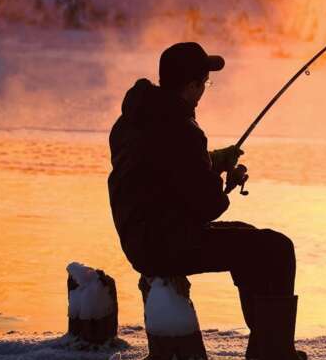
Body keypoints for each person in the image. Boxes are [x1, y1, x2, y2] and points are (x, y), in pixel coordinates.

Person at [107, 42, 306, 360]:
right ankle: (273, 353)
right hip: (164, 244)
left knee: (251, 239)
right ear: (191, 87)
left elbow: (164, 167)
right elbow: (209, 206)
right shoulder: (182, 131)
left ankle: (265, 347)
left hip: (139, 235)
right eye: (204, 83)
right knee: (277, 249)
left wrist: (213, 160)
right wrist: (227, 179)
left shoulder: (134, 120)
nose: (204, 90)